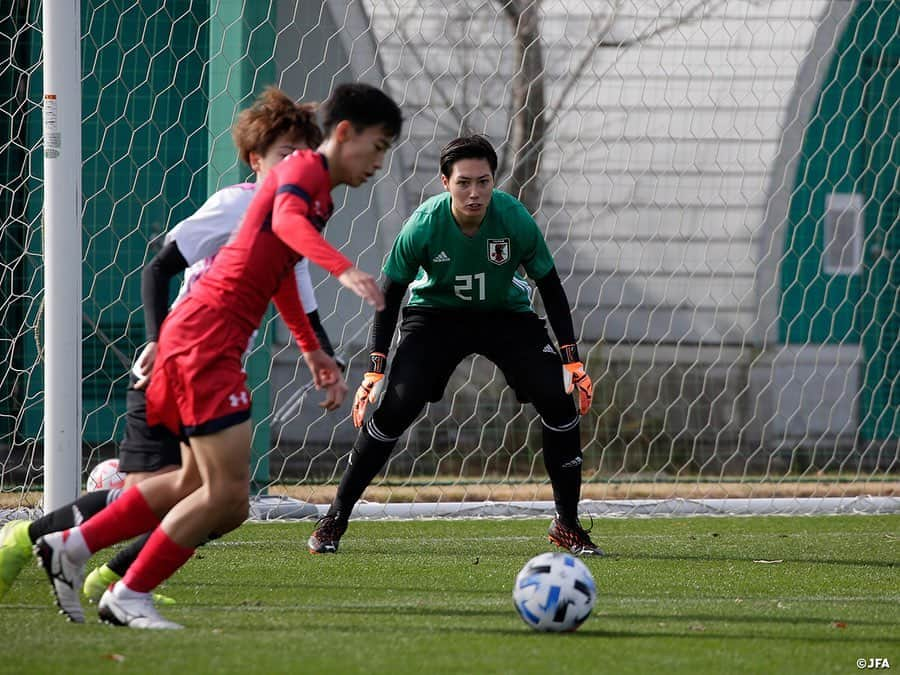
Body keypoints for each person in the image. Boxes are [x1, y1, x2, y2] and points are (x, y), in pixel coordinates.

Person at [33, 82, 403, 630]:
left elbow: (277, 267)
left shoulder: (314, 188)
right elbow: (285, 227)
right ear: (344, 133)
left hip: (205, 337)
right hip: (206, 338)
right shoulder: (303, 170)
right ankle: (125, 591)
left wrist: (311, 351)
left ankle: (74, 545)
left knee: (192, 484)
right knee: (228, 496)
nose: (379, 162)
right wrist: (341, 267)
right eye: (378, 146)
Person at [307, 134, 600, 556]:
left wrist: (571, 361)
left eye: (483, 182)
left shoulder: (513, 218)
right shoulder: (424, 225)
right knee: (396, 407)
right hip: (436, 318)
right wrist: (375, 367)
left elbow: (550, 287)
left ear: (494, 182)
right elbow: (390, 292)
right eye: (464, 182)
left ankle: (567, 525)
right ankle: (335, 516)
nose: (475, 192)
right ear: (445, 182)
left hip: (506, 317)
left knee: (559, 399)